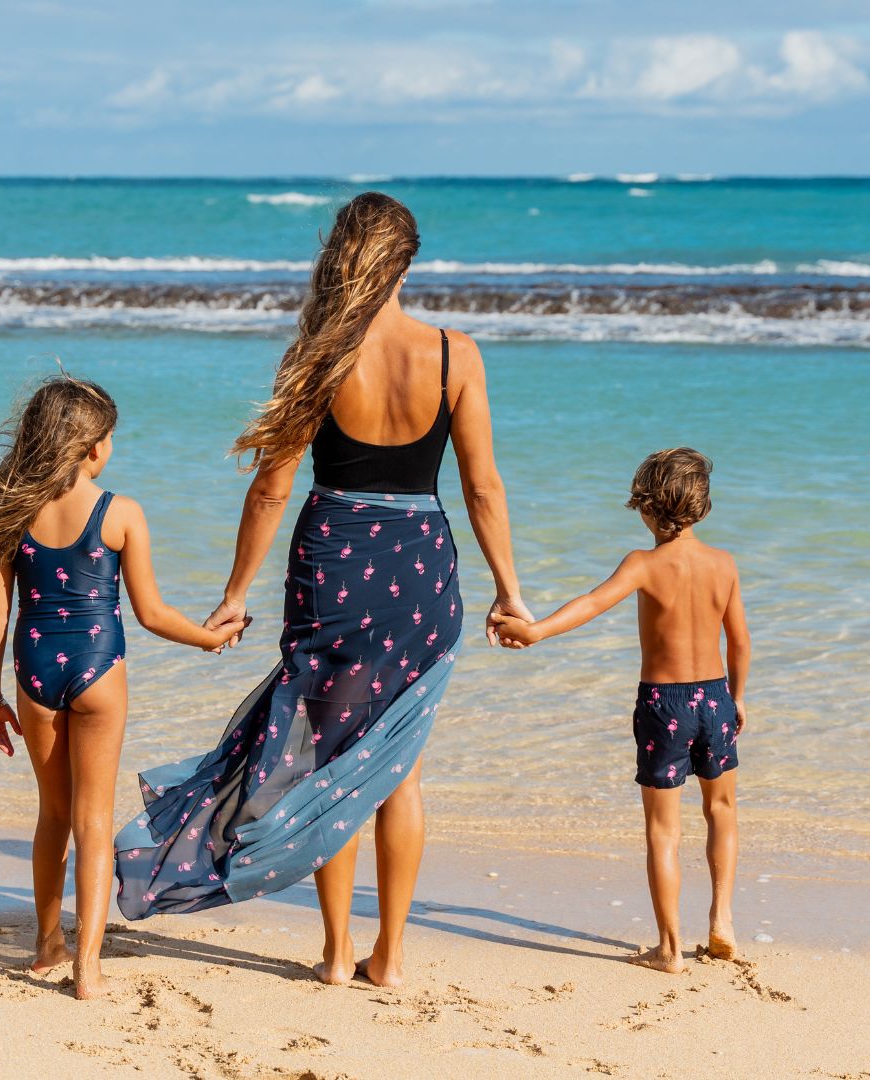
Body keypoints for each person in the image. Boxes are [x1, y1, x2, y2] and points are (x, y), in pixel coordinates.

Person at [114, 191, 532, 988]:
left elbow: (272, 488)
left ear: (339, 256)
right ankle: (390, 956)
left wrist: (235, 591)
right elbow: (483, 488)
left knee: (330, 761)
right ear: (407, 262)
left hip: (333, 566)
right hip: (418, 574)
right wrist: (510, 591)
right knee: (399, 765)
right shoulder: (456, 355)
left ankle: (339, 954)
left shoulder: (317, 354)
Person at [0, 374, 245, 998]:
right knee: (93, 820)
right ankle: (88, 966)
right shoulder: (120, 513)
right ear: (92, 447)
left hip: (34, 673)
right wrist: (208, 639)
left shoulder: (11, 510)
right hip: (98, 668)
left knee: (53, 814)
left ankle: (47, 944)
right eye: (110, 439)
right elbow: (152, 614)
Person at [492, 447, 750, 973]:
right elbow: (740, 641)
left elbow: (591, 603)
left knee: (663, 830)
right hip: (716, 698)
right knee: (721, 810)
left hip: (664, 704)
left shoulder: (644, 564)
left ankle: (670, 949)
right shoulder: (723, 563)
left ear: (646, 507)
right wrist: (738, 697)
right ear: (702, 506)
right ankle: (722, 918)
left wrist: (535, 631)